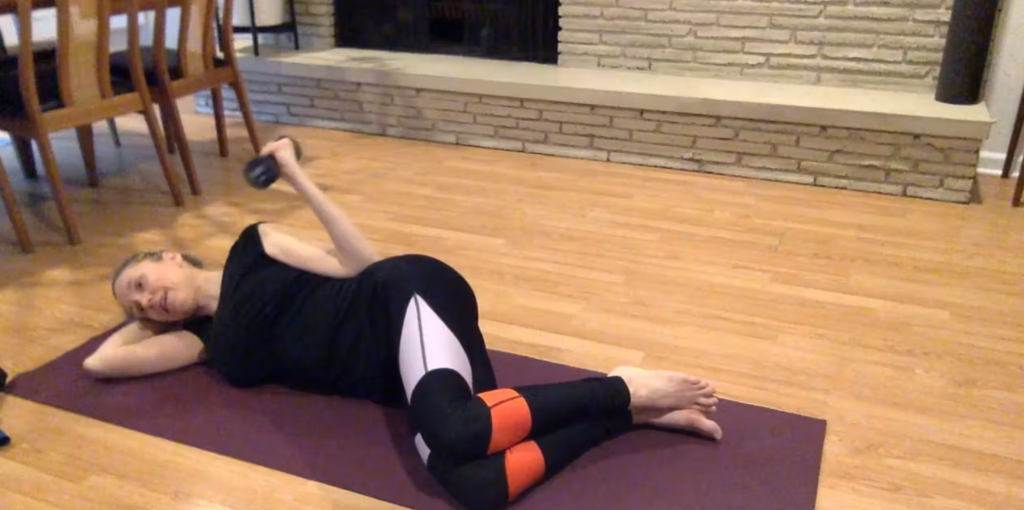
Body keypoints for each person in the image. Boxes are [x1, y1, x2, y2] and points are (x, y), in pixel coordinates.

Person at [86, 138, 723, 510]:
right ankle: (625, 409)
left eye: (143, 282)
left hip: (403, 297)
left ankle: (625, 388)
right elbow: (101, 362)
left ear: (170, 253)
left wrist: (298, 177)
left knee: (458, 427)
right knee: (473, 483)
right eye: (135, 306)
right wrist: (138, 318)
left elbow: (364, 264)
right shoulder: (205, 345)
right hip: (400, 375)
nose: (147, 302)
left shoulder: (254, 246)